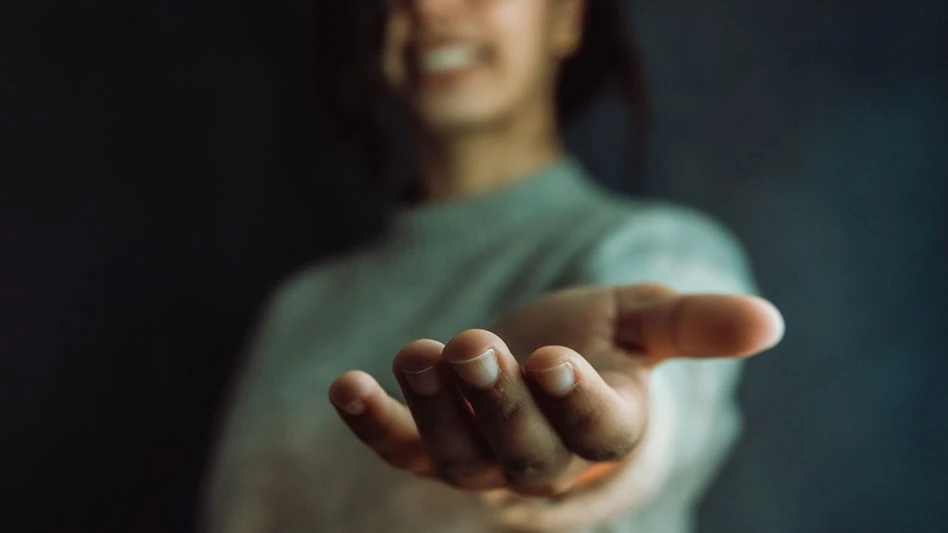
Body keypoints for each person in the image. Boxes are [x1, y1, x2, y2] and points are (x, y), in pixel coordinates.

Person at [202, 1, 785, 532]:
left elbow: (672, 394)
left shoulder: (650, 245)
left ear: (567, 18)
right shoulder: (300, 309)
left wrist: (611, 442)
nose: (429, 8)